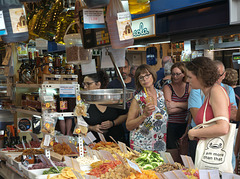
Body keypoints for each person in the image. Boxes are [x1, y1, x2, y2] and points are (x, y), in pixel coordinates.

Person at [186, 57, 233, 169]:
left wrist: (194, 133)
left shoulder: (216, 91)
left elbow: (223, 127)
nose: (187, 81)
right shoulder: (209, 93)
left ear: (200, 76)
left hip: (214, 158)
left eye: (189, 77)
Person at [126, 64, 168, 152]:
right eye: (141, 77)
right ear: (138, 81)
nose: (145, 79)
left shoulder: (161, 95)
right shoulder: (138, 99)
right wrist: (144, 115)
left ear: (153, 75)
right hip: (141, 145)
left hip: (159, 143)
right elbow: (129, 126)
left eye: (147, 75)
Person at [82, 70, 127, 143]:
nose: (85, 87)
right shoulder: (84, 103)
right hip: (93, 145)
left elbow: (125, 115)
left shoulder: (113, 99)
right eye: (84, 84)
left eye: (88, 84)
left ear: (98, 84)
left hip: (116, 143)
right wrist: (92, 128)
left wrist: (113, 123)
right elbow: (78, 122)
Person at [163, 62, 191, 149]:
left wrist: (176, 104)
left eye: (178, 74)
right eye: (173, 74)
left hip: (186, 124)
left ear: (183, 74)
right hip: (171, 124)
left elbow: (192, 106)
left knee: (184, 153)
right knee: (173, 152)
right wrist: (186, 107)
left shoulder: (189, 86)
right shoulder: (168, 87)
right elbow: (169, 109)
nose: (175, 77)